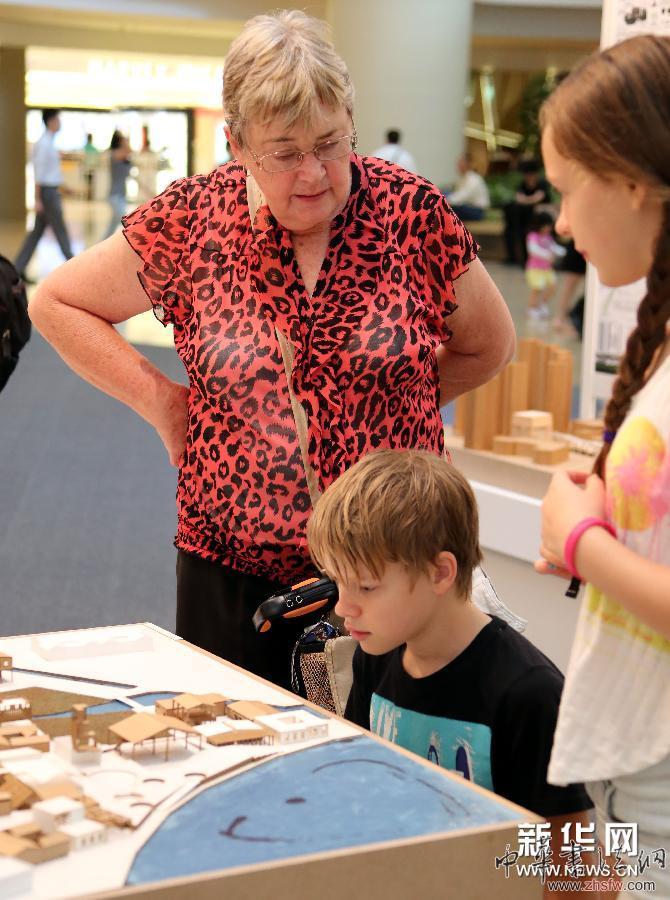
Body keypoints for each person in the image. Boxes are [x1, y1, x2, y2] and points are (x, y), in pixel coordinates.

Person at [29, 10, 514, 690]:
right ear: (237, 144)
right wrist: (163, 403)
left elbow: (488, 345)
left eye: (331, 143)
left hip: (395, 565)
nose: (313, 172)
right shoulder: (193, 220)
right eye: (284, 152)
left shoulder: (411, 213)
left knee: (389, 747)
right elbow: (56, 302)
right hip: (233, 570)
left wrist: (398, 402)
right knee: (233, 741)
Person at [307, 450, 592, 861]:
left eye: (366, 587)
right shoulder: (376, 654)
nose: (343, 607)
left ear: (440, 572)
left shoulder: (530, 695)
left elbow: (573, 867)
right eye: (338, 583)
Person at [536, 35, 670, 898]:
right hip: (640, 768)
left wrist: (583, 541)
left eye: (567, 189)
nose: (560, 224)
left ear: (630, 180)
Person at [14, 109, 74, 283]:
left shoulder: (49, 142)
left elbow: (50, 173)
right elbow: (39, 174)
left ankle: (17, 269)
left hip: (51, 191)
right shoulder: (44, 144)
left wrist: (63, 188)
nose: (60, 123)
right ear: (51, 121)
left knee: (36, 233)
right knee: (60, 231)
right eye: (58, 119)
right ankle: (74, 265)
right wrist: (38, 199)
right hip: (48, 194)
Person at [503, 159, 552, 266]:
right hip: (523, 217)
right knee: (512, 227)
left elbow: (538, 198)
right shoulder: (522, 185)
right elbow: (519, 198)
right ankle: (514, 257)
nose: (529, 177)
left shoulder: (542, 184)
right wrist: (530, 200)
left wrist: (526, 200)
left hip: (540, 218)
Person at [525, 211, 565, 320]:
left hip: (547, 269)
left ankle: (542, 304)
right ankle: (532, 308)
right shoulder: (533, 236)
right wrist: (547, 255)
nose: (548, 228)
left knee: (553, 287)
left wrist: (565, 253)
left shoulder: (548, 237)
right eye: (546, 226)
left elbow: (554, 248)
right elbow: (533, 250)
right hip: (535, 269)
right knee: (537, 289)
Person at [102, 131, 131, 240]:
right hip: (115, 195)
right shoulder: (115, 154)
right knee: (124, 219)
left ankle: (103, 242)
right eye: (122, 139)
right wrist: (126, 142)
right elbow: (128, 151)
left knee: (113, 224)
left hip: (121, 195)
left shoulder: (123, 155)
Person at [446, 154, 490, 221]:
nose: (458, 165)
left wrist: (444, 201)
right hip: (467, 207)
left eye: (461, 163)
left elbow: (462, 196)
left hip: (477, 211)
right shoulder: (462, 179)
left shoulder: (473, 178)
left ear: (467, 164)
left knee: (450, 209)